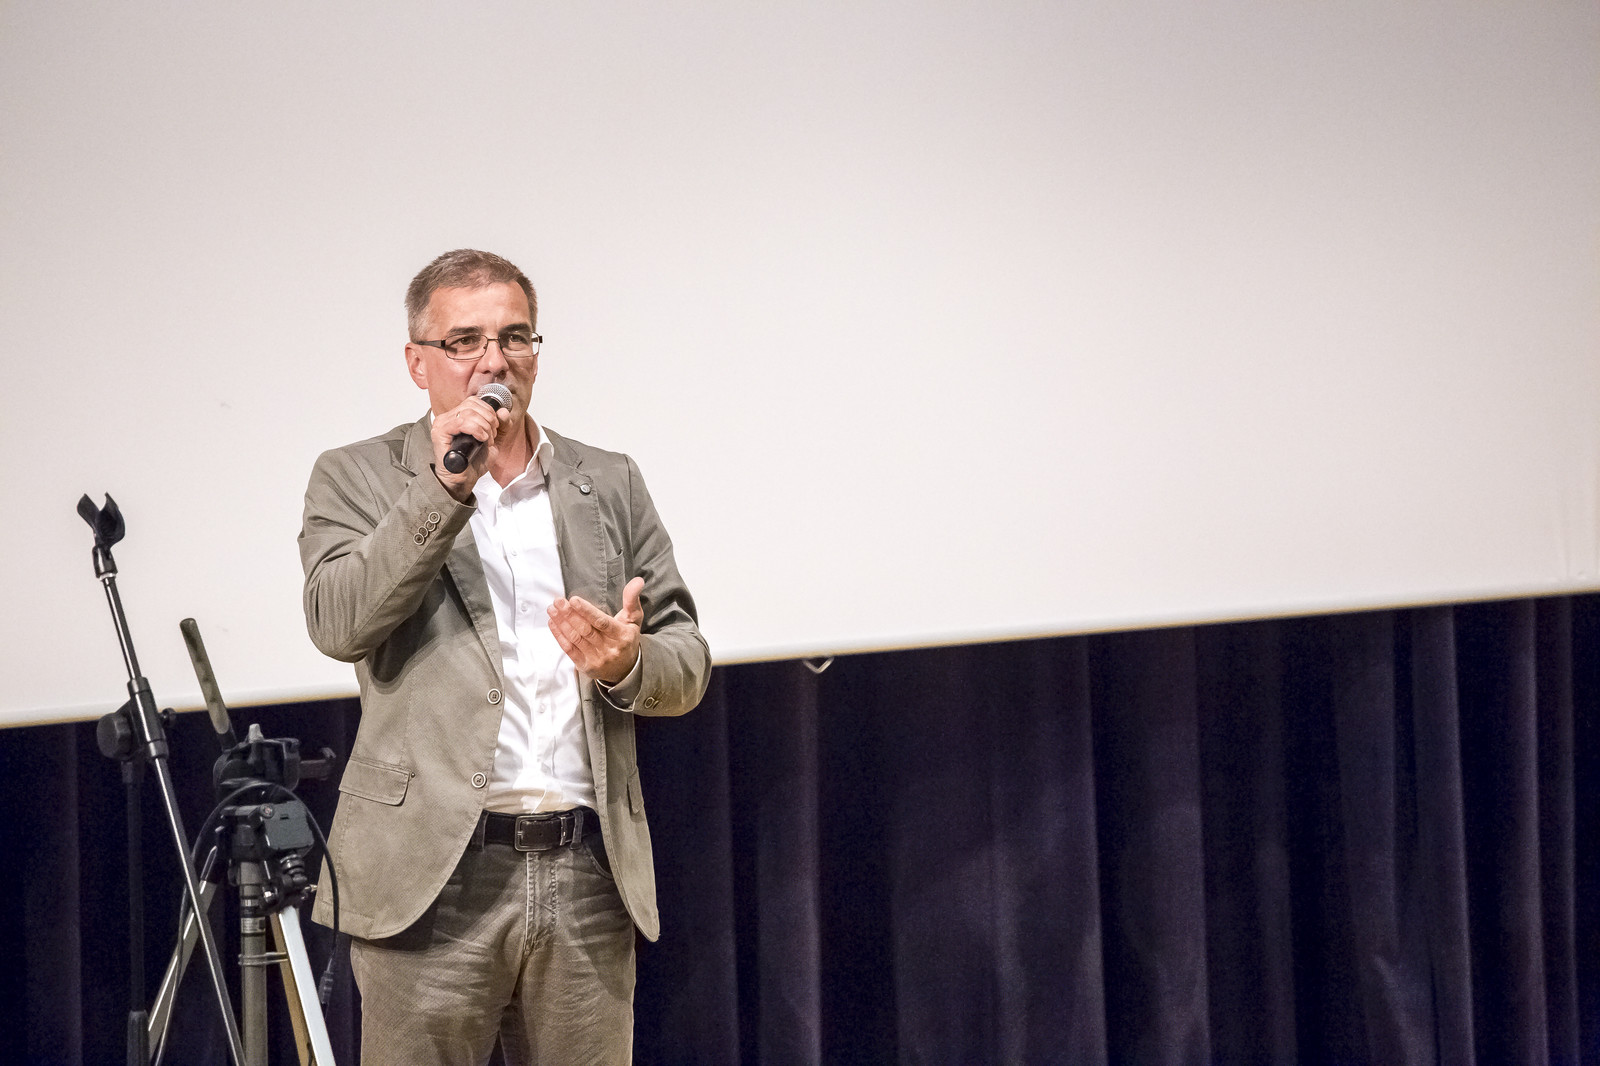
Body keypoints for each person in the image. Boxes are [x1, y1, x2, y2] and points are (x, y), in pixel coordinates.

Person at [298, 248, 711, 1064]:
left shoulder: (607, 480)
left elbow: (687, 660)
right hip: (432, 880)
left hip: (586, 873)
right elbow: (339, 623)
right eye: (465, 341)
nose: (494, 360)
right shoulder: (357, 477)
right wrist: (443, 486)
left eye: (514, 337)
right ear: (417, 362)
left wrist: (625, 666)